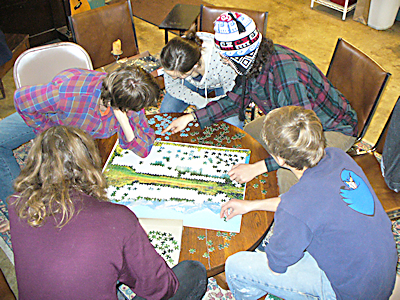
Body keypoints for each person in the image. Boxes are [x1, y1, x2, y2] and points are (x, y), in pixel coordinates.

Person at [163, 12, 358, 194]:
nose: (222, 61)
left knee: (286, 175)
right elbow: (234, 99)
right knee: (246, 136)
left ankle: (285, 208)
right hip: (285, 116)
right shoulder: (255, 61)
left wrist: (258, 168)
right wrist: (192, 117)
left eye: (226, 57)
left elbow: (302, 140)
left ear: (240, 56)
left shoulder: (286, 78)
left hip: (329, 129)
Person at [8, 125, 207, 300]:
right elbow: (160, 289)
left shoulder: (17, 206)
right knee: (193, 272)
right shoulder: (118, 219)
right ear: (89, 163)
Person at [220, 106, 397, 300]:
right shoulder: (338, 156)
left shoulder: (296, 207)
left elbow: (277, 265)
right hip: (383, 271)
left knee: (235, 266)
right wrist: (251, 205)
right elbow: (304, 205)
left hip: (352, 293)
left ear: (279, 158)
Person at [0, 65, 158, 203]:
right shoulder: (66, 92)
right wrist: (49, 132)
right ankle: (19, 206)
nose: (139, 112)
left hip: (84, 137)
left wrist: (124, 122)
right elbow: (22, 99)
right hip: (55, 118)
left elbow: (144, 148)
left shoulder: (129, 99)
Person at [160, 24, 243, 128]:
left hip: (220, 85)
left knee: (233, 122)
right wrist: (198, 100)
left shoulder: (222, 61)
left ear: (194, 65)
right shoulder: (171, 56)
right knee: (166, 110)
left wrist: (206, 106)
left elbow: (232, 98)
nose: (173, 78)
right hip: (191, 82)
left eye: (178, 76)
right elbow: (172, 86)